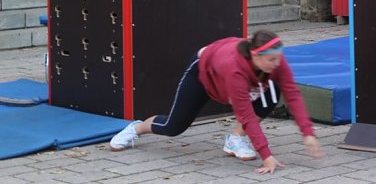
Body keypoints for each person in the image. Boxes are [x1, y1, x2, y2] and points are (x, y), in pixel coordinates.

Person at [108, 30, 322, 175]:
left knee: (273, 92)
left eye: (278, 59)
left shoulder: (274, 60)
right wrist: (266, 155)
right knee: (173, 127)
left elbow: (292, 94)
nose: (278, 64)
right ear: (256, 56)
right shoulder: (235, 69)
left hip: (236, 78)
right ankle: (136, 128)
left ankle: (235, 138)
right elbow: (245, 114)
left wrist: (308, 133)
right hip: (203, 75)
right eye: (272, 60)